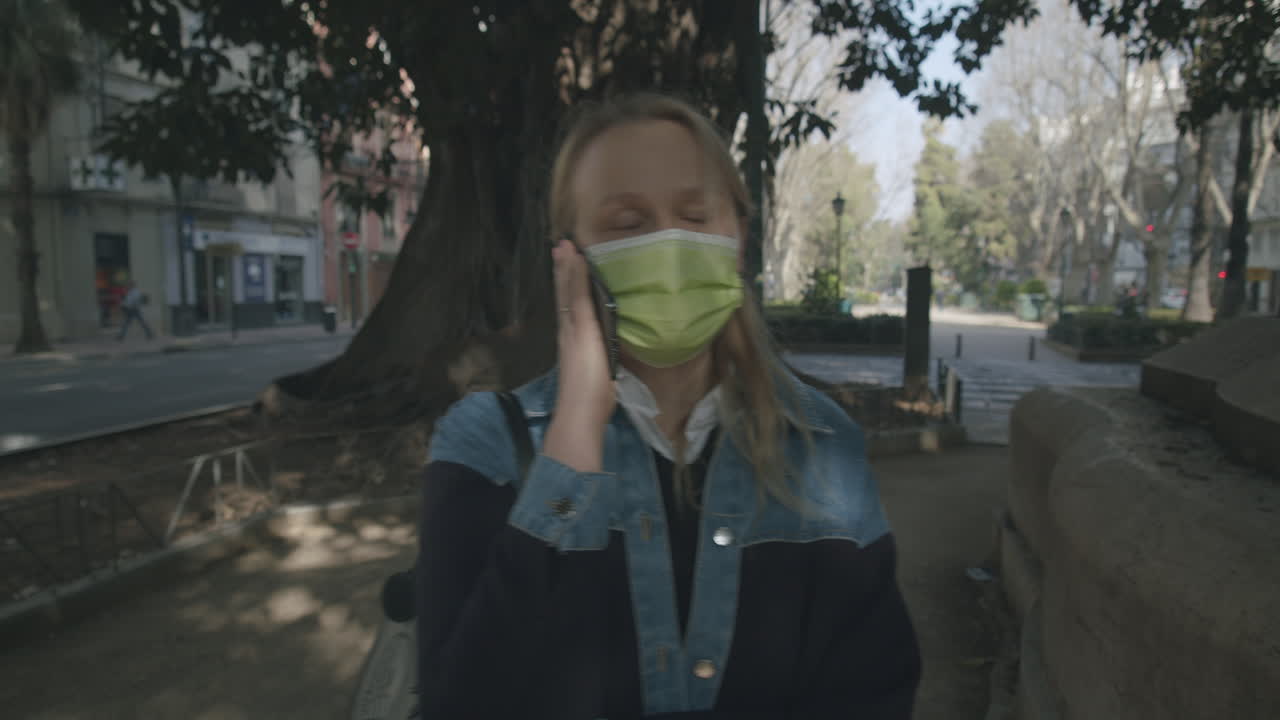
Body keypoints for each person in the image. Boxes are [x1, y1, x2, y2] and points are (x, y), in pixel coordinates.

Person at [415, 93, 921, 719]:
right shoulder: (486, 445)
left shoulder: (823, 443)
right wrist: (571, 442)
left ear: (739, 238)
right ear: (569, 258)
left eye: (695, 214)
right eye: (628, 223)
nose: (670, 242)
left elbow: (871, 691)